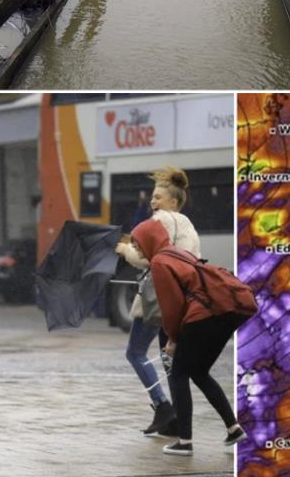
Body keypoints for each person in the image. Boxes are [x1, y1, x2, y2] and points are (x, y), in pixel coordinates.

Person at [130, 217, 248, 457]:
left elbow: (172, 307)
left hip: (204, 316)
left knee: (178, 374)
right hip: (225, 312)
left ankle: (184, 442)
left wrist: (173, 339)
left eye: (137, 244)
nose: (137, 250)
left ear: (149, 240)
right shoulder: (177, 252)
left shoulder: (160, 262)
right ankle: (233, 428)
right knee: (199, 372)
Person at [115, 166, 200, 438]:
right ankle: (176, 423)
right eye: (152, 197)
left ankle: (162, 406)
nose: (153, 202)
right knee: (169, 361)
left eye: (158, 197)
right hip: (181, 300)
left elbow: (145, 258)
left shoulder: (160, 220)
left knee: (135, 352)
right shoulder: (188, 225)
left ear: (173, 202)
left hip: (158, 299)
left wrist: (123, 248)